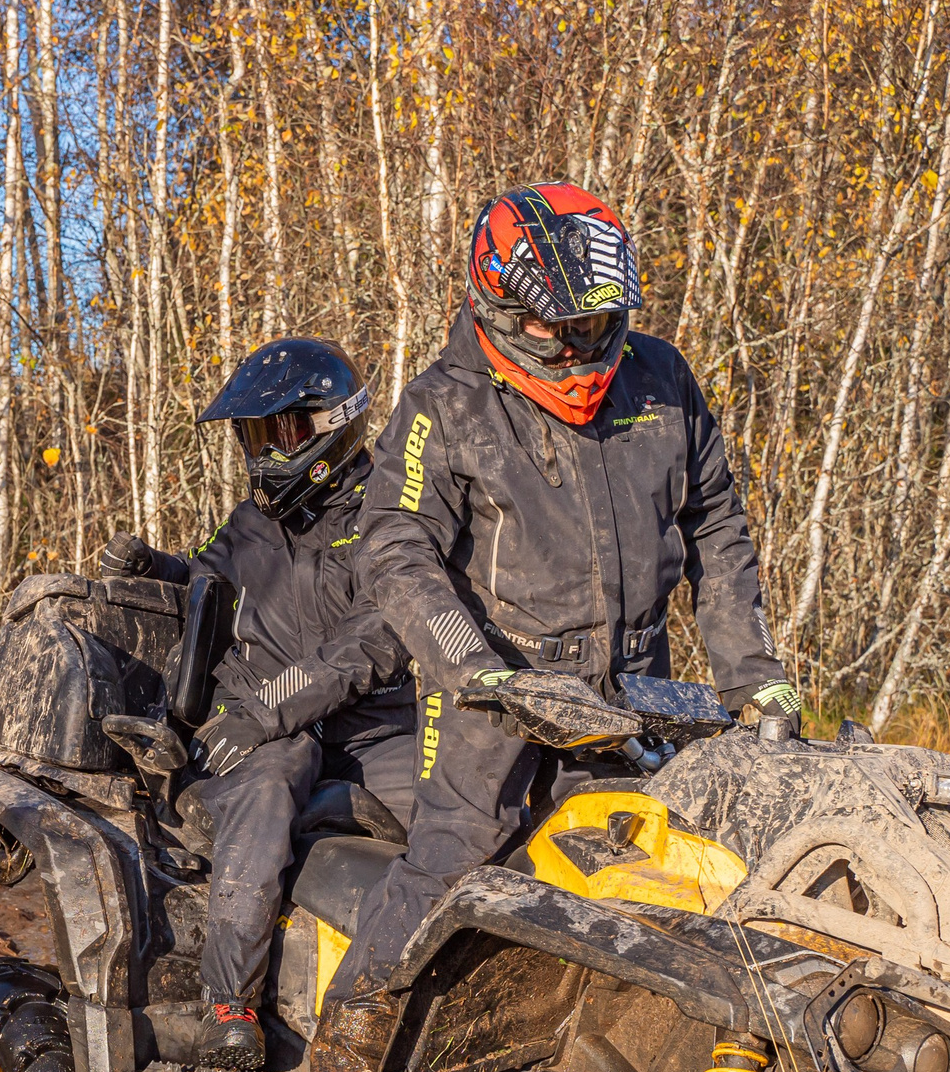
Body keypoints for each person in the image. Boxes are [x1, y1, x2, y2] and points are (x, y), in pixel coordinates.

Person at [325, 181, 803, 1008]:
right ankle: (347, 1057)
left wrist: (753, 675)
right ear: (501, 308)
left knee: (695, 871)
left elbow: (717, 526)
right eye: (560, 326)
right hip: (491, 696)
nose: (580, 347)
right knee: (454, 858)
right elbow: (396, 549)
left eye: (594, 324)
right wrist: (478, 672)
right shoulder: (445, 402)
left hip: (634, 687)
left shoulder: (659, 381)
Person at [100, 337, 425, 1071]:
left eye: (279, 432)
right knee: (280, 768)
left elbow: (372, 641)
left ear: (329, 425)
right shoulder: (254, 521)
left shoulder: (389, 515)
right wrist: (158, 568)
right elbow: (210, 579)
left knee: (467, 808)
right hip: (267, 734)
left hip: (368, 727)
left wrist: (272, 708)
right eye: (254, 436)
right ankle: (229, 1004)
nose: (262, 452)